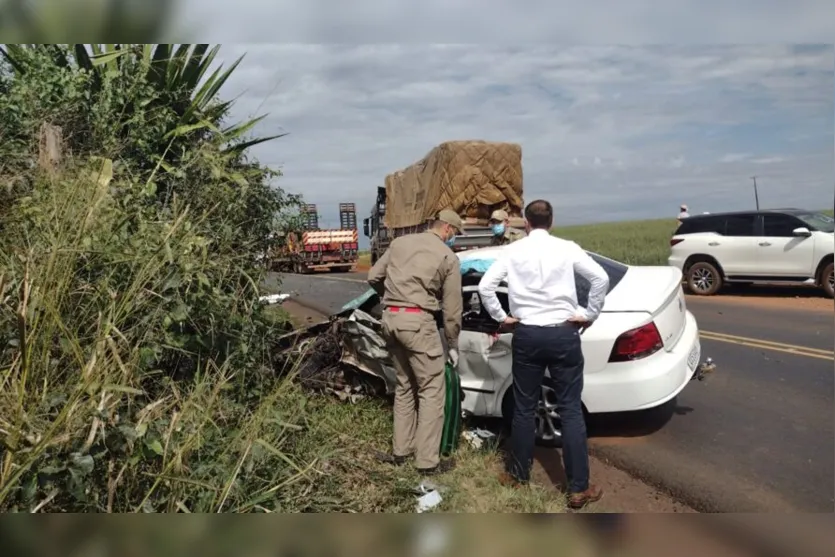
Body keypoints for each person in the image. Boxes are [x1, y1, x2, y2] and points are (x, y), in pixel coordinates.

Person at [477, 199, 609, 509]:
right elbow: (600, 278)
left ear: (526, 222)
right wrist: (590, 313)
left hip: (528, 334)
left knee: (524, 408)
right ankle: (578, 488)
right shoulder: (567, 247)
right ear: (551, 221)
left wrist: (502, 317)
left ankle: (519, 476)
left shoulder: (513, 251)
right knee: (571, 409)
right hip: (563, 334)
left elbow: (485, 287)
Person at [367, 209, 464, 475]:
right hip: (419, 323)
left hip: (391, 320)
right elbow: (452, 308)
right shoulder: (447, 256)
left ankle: (401, 451)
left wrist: (391, 298)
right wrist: (453, 343)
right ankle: (427, 462)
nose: (453, 237)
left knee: (404, 387)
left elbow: (373, 276)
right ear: (446, 228)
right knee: (431, 391)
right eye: (454, 233)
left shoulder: (399, 244)